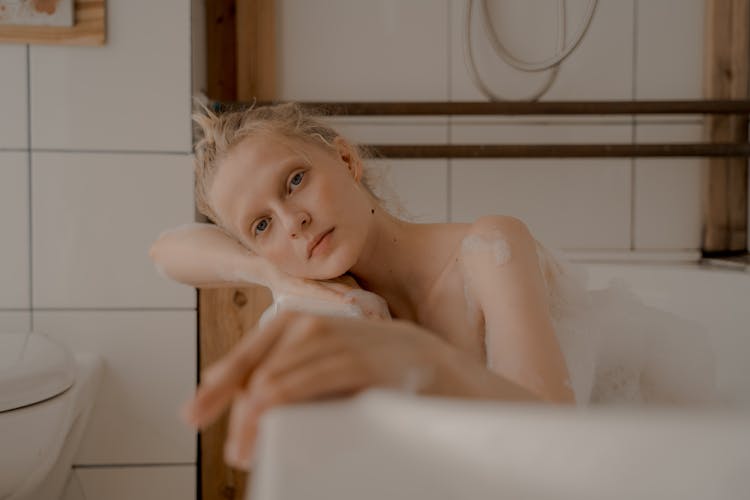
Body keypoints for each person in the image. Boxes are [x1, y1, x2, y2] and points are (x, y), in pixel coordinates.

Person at [149, 101, 719, 470]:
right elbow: (167, 252)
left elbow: (554, 440)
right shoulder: (328, 293)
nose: (291, 220)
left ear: (346, 159)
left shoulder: (488, 251)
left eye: (295, 181)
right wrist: (268, 270)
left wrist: (423, 358)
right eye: (262, 224)